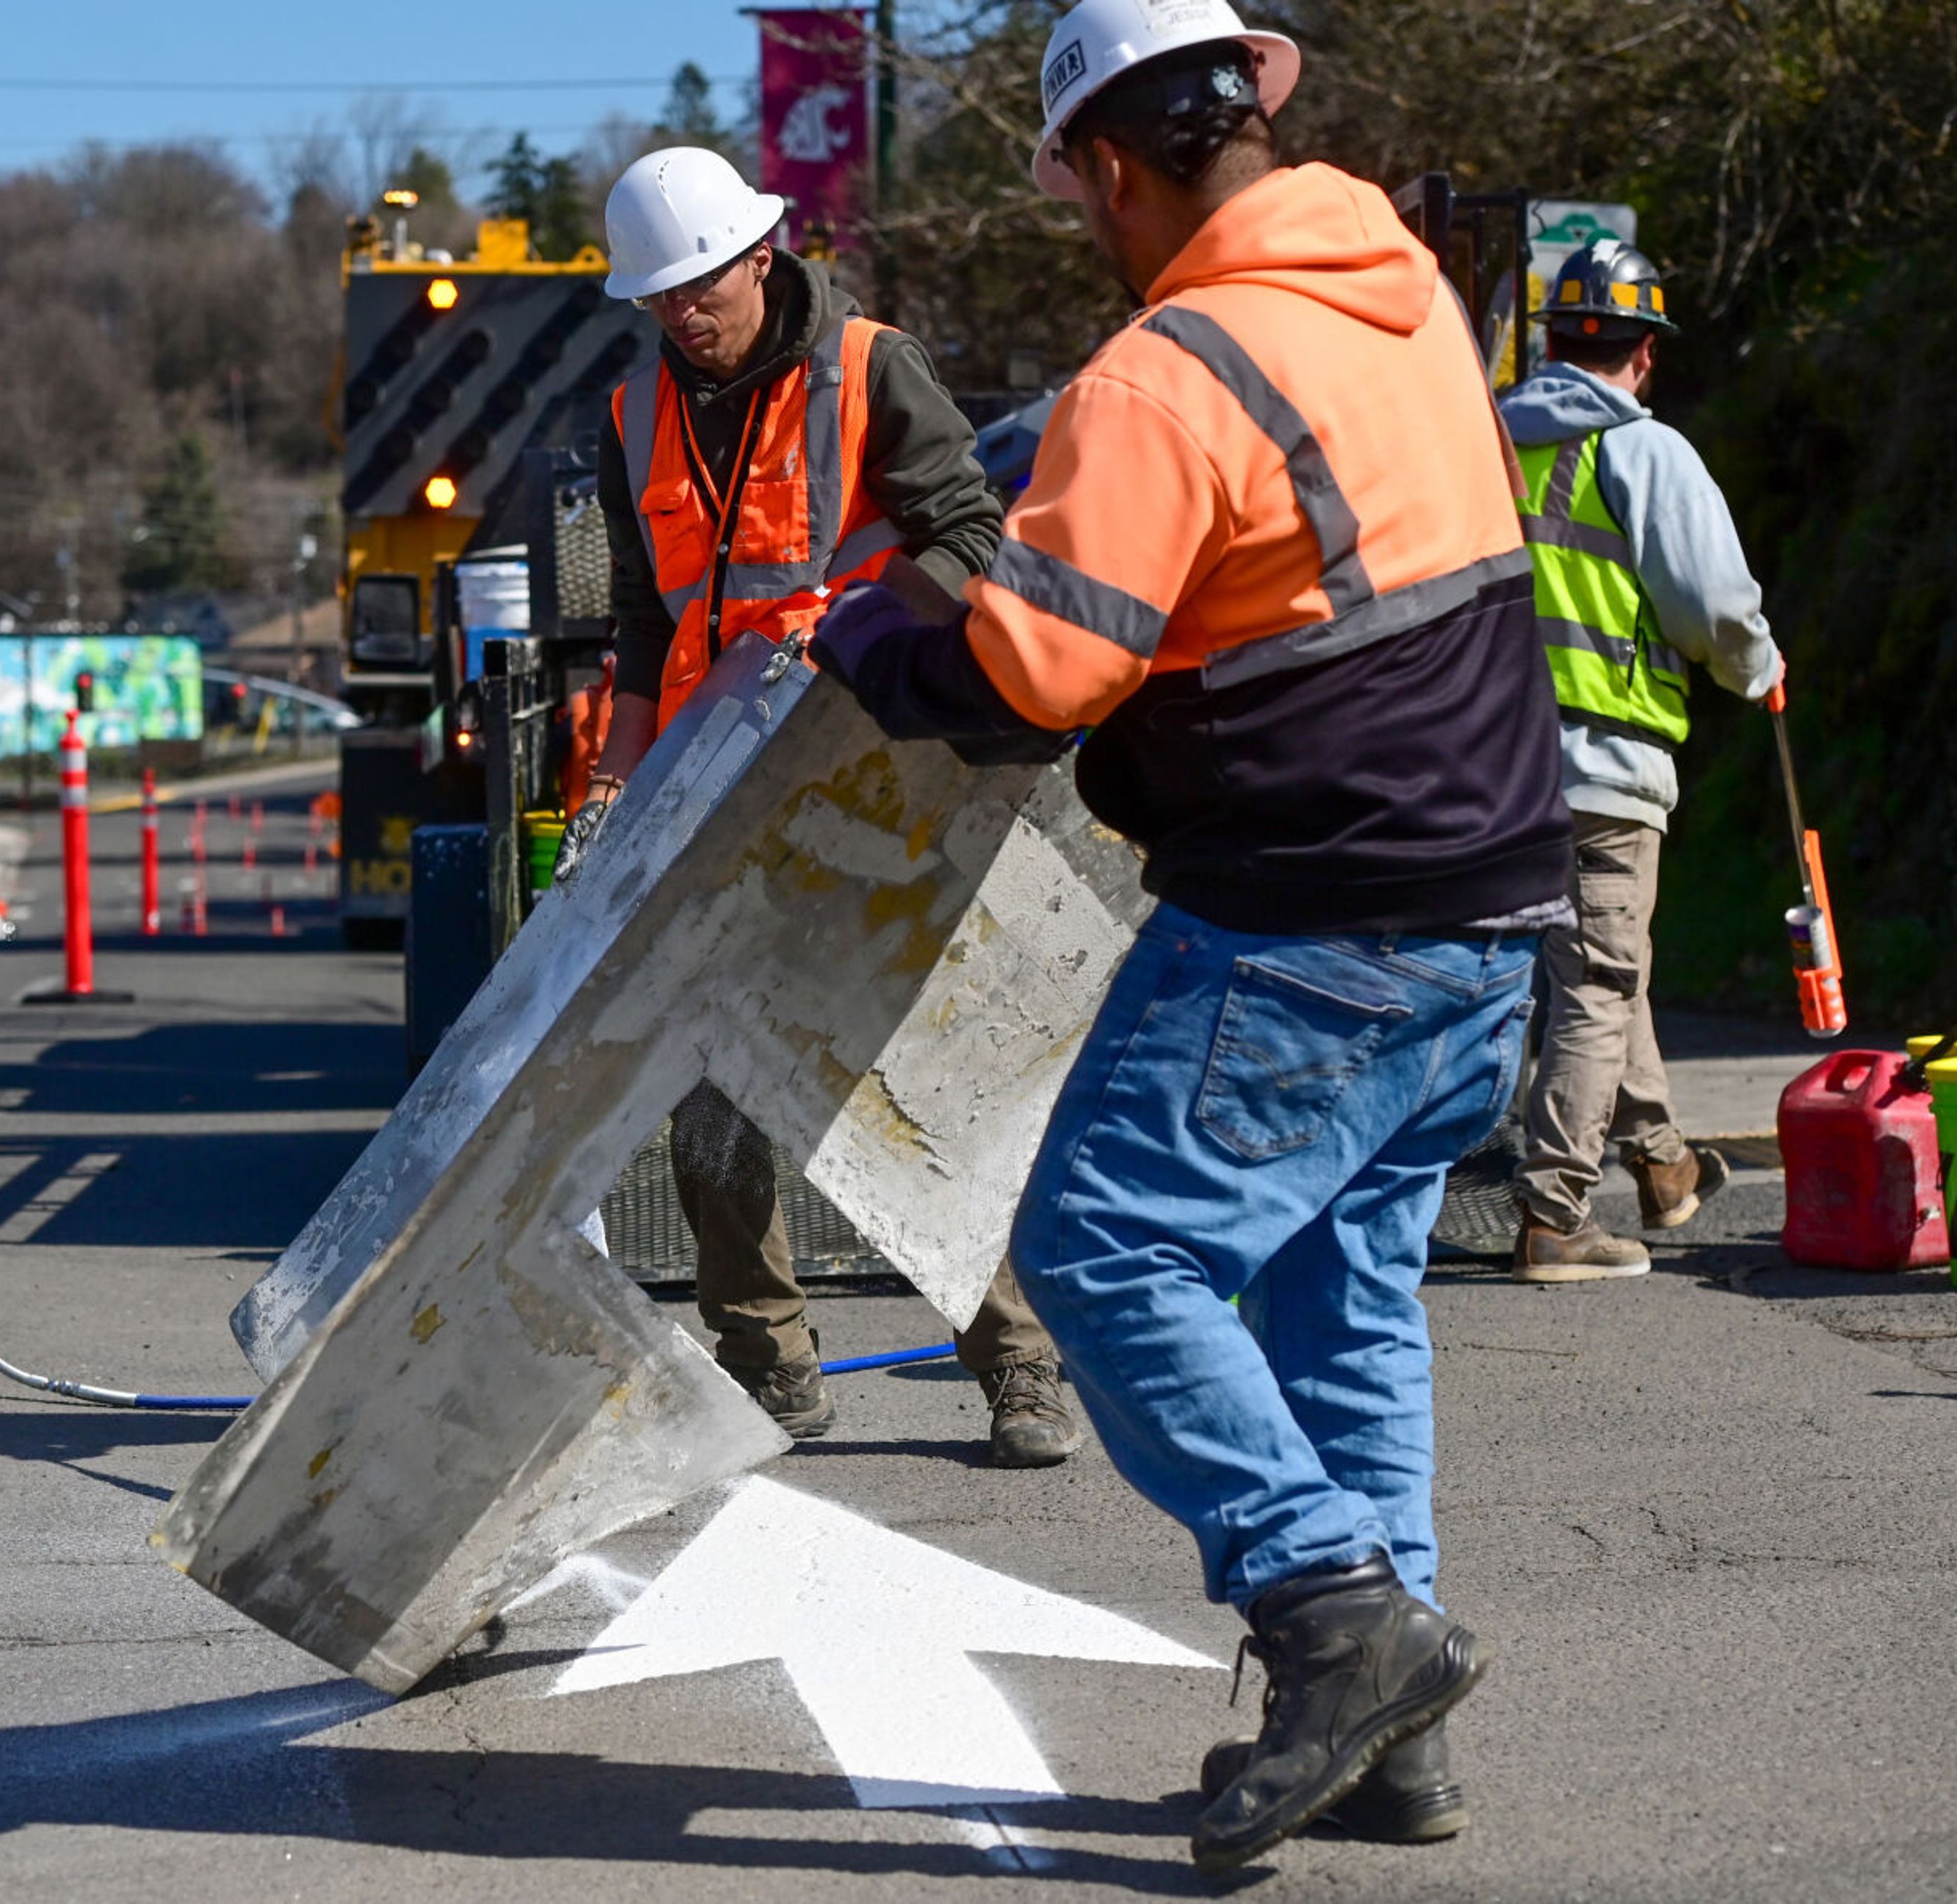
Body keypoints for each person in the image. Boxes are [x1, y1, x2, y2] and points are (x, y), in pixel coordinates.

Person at [805, 0, 1573, 1870]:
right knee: (1345, 1297)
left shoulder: (1164, 376)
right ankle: (1392, 1745)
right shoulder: (1402, 289)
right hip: (1493, 901)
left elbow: (1039, 672)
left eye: (1081, 190)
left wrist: (864, 639)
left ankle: (1334, 1615)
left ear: (1116, 167)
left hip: (1321, 911)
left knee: (1105, 1246)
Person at [568, 143, 1083, 1469]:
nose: (685, 311)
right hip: (715, 795)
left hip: (875, 774)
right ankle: (772, 1367)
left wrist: (857, 633)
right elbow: (645, 618)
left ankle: (1021, 1366)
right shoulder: (635, 421)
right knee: (716, 1114)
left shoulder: (867, 368)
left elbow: (970, 534)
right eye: (660, 296)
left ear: (761, 254)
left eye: (703, 282)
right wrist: (617, 773)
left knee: (928, 1098)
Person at [1504, 240, 1782, 1282]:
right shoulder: (1646, 451)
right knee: (1596, 982)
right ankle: (1556, 1212)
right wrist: (1758, 671)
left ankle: (1663, 1166)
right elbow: (1713, 607)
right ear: (1647, 353)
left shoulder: (1488, 447)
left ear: (1557, 342)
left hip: (1483, 764)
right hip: (1603, 763)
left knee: (1599, 971)